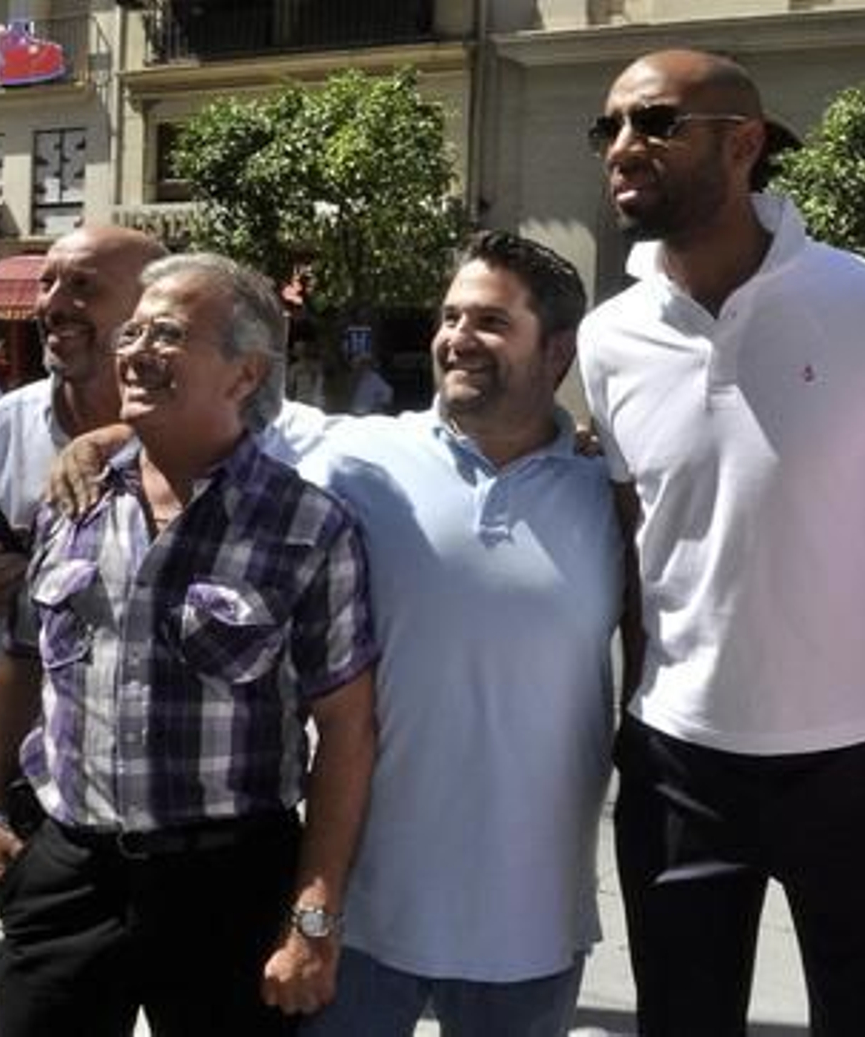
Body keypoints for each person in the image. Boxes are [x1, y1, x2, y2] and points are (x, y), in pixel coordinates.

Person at [578, 49, 865, 1035]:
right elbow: (637, 548)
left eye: (652, 123)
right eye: (606, 128)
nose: (622, 147)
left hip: (851, 766)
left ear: (742, 145)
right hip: (675, 766)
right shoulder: (608, 339)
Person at [0, 253, 378, 1036]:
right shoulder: (72, 501)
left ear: (244, 372)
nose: (134, 351)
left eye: (168, 334)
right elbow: (19, 658)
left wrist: (314, 917)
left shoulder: (307, 526)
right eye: (134, 332)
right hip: (67, 875)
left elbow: (350, 732)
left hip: (228, 888)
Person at [299, 231, 622, 1036]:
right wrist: (108, 438)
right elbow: (217, 437)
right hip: (363, 918)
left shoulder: (609, 493)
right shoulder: (356, 457)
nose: (455, 338)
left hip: (532, 925)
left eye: (488, 321)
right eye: (450, 316)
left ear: (556, 350)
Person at [0, 226, 169, 622]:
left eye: (84, 285)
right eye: (46, 283)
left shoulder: (205, 429)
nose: (52, 305)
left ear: (154, 309)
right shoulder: (8, 422)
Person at [286, 330, 327, 408]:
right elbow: (290, 387)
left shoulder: (316, 366)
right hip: (303, 401)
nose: (301, 351)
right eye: (298, 349)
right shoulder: (294, 368)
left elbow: (319, 384)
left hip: (312, 401)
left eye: (302, 349)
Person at [347, 351, 394, 415]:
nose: (363, 366)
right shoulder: (350, 377)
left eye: (365, 364)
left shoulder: (373, 377)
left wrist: (378, 406)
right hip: (352, 412)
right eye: (360, 364)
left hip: (368, 413)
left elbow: (387, 391)